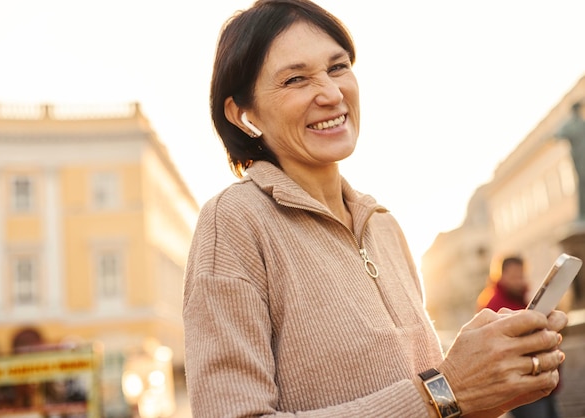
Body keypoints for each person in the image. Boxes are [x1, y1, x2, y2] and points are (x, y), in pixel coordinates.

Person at [182, 1, 568, 416]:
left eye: (337, 67)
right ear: (243, 114)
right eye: (296, 79)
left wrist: (487, 390)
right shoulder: (234, 222)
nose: (331, 94)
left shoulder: (385, 226)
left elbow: (436, 406)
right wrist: (446, 391)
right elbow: (433, 400)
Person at [478, 256, 563, 418]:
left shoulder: (525, 298)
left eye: (521, 275)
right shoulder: (493, 305)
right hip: (523, 387)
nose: (520, 280)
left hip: (544, 379)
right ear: (501, 275)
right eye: (515, 276)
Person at [556, 101, 585, 220]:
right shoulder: (571, 125)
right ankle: (582, 214)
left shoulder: (582, 124)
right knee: (582, 183)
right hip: (580, 159)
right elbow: (558, 134)